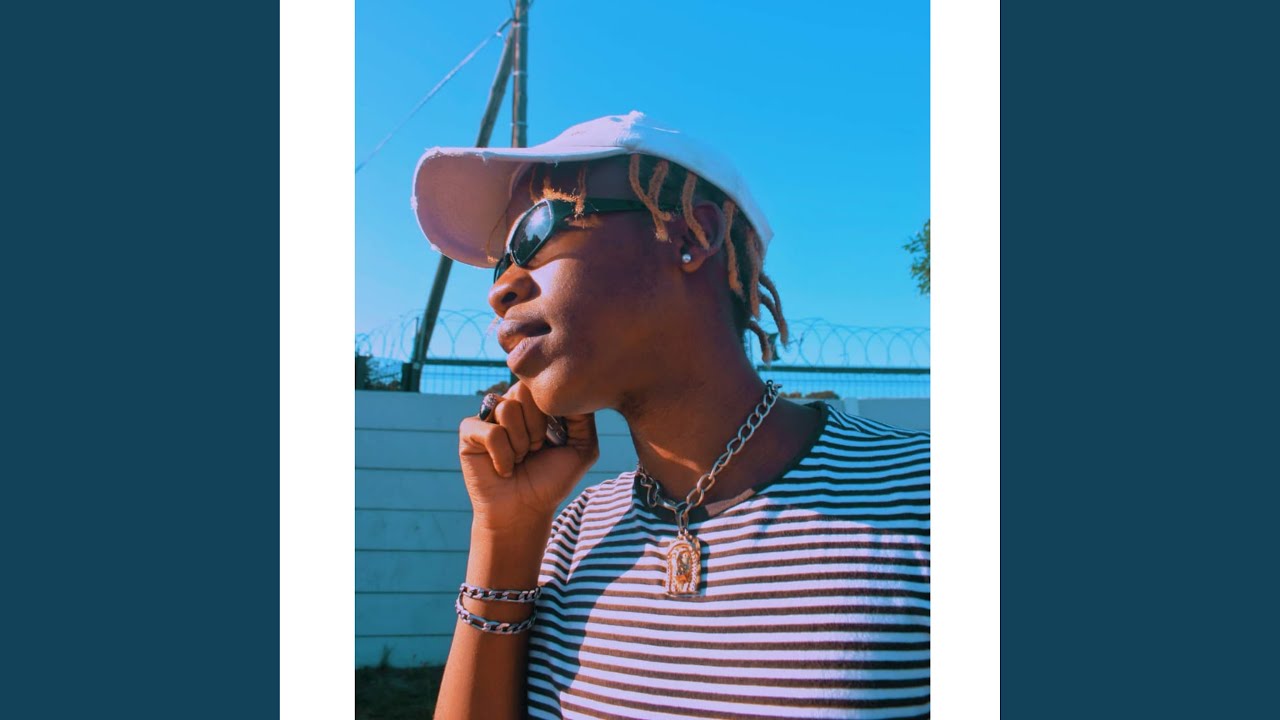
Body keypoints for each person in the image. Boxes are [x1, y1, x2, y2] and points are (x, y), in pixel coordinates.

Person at [411, 111, 931, 719]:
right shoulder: (572, 535)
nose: (500, 289)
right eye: (502, 262)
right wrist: (505, 533)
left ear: (690, 236)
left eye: (535, 231)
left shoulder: (926, 497)